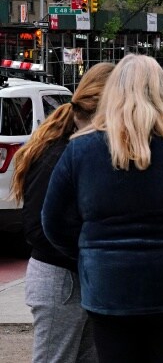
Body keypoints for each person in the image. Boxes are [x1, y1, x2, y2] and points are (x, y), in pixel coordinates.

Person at [41, 54, 163, 363]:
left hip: (111, 287)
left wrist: (90, 252)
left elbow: (52, 221)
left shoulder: (82, 148)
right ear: (162, 90)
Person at [11, 62, 114, 363]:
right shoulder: (60, 151)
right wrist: (88, 249)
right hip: (61, 279)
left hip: (75, 277)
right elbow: (36, 227)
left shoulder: (78, 146)